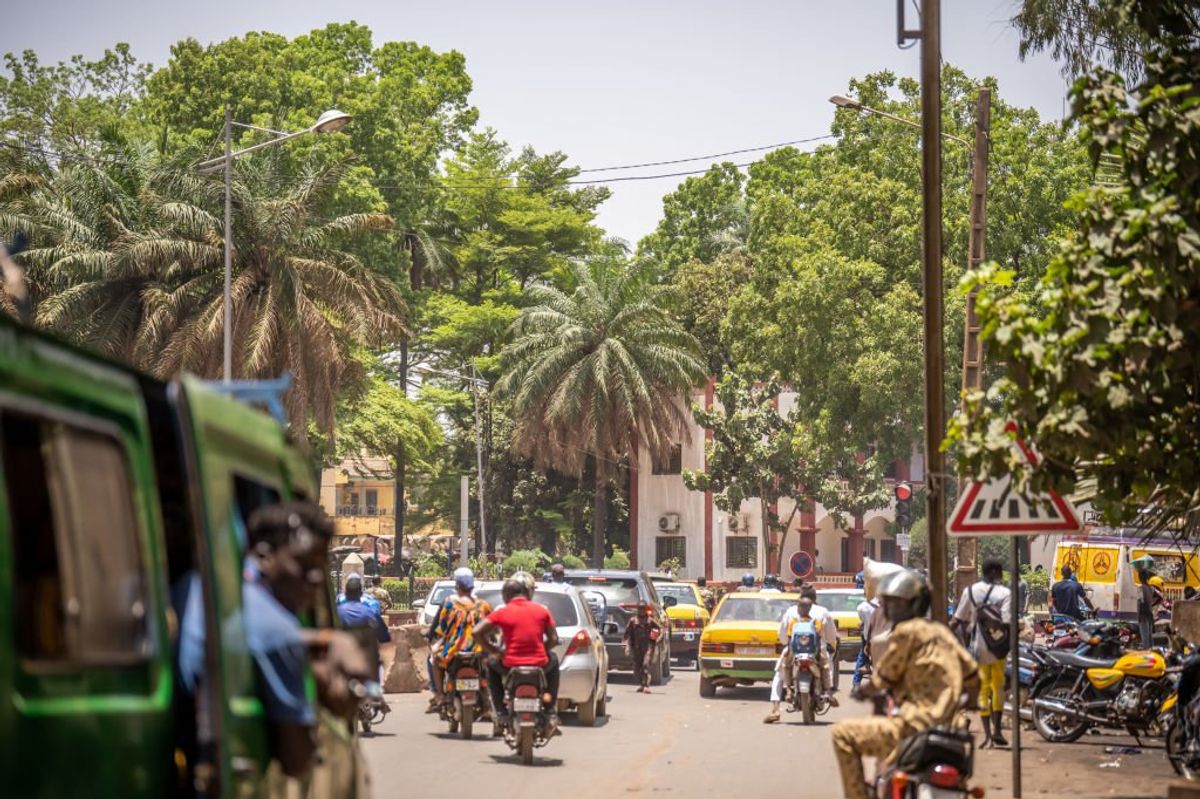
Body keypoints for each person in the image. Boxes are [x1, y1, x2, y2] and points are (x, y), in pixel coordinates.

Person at [178, 502, 372, 778]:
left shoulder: (197, 585)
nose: (316, 578)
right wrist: (317, 681)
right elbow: (298, 761)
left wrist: (322, 639)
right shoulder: (278, 632)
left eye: (320, 567)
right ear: (264, 556)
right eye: (303, 564)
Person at [831, 570, 979, 799]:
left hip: (913, 726)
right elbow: (973, 675)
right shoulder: (941, 632)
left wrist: (864, 691)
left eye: (897, 604)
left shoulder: (906, 631)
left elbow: (884, 677)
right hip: (953, 728)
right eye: (889, 603)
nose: (890, 609)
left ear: (916, 604)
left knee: (842, 734)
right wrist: (968, 702)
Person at [474, 577, 561, 725]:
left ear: (506, 595)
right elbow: (553, 639)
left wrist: (494, 651)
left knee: (491, 664)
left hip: (510, 664)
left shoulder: (502, 612)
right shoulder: (542, 611)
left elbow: (476, 632)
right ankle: (550, 710)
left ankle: (500, 711)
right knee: (554, 659)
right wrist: (542, 650)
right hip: (539, 664)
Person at [951, 557, 1012, 748]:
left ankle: (987, 736)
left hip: (978, 647)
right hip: (999, 647)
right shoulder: (1005, 593)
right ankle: (997, 731)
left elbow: (958, 619)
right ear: (994, 572)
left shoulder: (970, 591)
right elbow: (1007, 621)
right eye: (1000, 571)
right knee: (998, 687)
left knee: (983, 689)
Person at [429, 567, 492, 709]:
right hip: (478, 649)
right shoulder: (483, 605)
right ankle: (488, 698)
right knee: (490, 667)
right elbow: (491, 627)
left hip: (453, 649)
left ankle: (440, 695)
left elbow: (442, 627)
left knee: (435, 660)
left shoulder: (449, 603)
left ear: (457, 585)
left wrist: (435, 636)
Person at [764, 595, 831, 722]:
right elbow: (819, 637)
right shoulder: (816, 621)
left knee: (784, 667)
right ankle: (828, 691)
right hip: (813, 653)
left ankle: (787, 691)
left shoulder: (793, 621)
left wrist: (789, 648)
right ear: (810, 608)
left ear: (798, 608)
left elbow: (788, 639)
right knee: (825, 665)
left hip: (795, 652)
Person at [802, 584, 840, 692]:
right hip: (817, 649)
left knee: (782, 667)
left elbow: (783, 632)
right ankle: (828, 689)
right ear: (815, 598)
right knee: (827, 662)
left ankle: (784, 691)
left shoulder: (792, 610)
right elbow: (831, 635)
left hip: (796, 648)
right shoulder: (822, 611)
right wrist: (830, 642)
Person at [623, 602, 663, 693]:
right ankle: (641, 684)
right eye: (640, 609)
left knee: (646, 665)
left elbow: (660, 629)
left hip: (648, 646)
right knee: (637, 668)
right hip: (636, 647)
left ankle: (646, 685)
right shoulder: (633, 621)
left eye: (643, 609)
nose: (641, 611)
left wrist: (657, 638)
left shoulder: (650, 620)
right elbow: (627, 633)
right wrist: (626, 645)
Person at [852, 593, 879, 690]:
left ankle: (856, 683)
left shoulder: (862, 607)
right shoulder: (886, 605)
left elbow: (862, 619)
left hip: (868, 638)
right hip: (883, 638)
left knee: (862, 657)